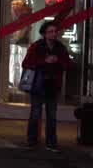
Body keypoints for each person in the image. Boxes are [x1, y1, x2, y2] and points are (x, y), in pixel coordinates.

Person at [22, 21, 74, 151]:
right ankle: (32, 140)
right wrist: (43, 61)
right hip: (38, 84)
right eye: (50, 31)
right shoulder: (36, 46)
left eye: (55, 31)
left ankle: (51, 142)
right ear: (44, 34)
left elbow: (68, 64)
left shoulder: (60, 47)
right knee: (35, 113)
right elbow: (26, 63)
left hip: (53, 84)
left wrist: (59, 62)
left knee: (52, 115)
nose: (53, 34)